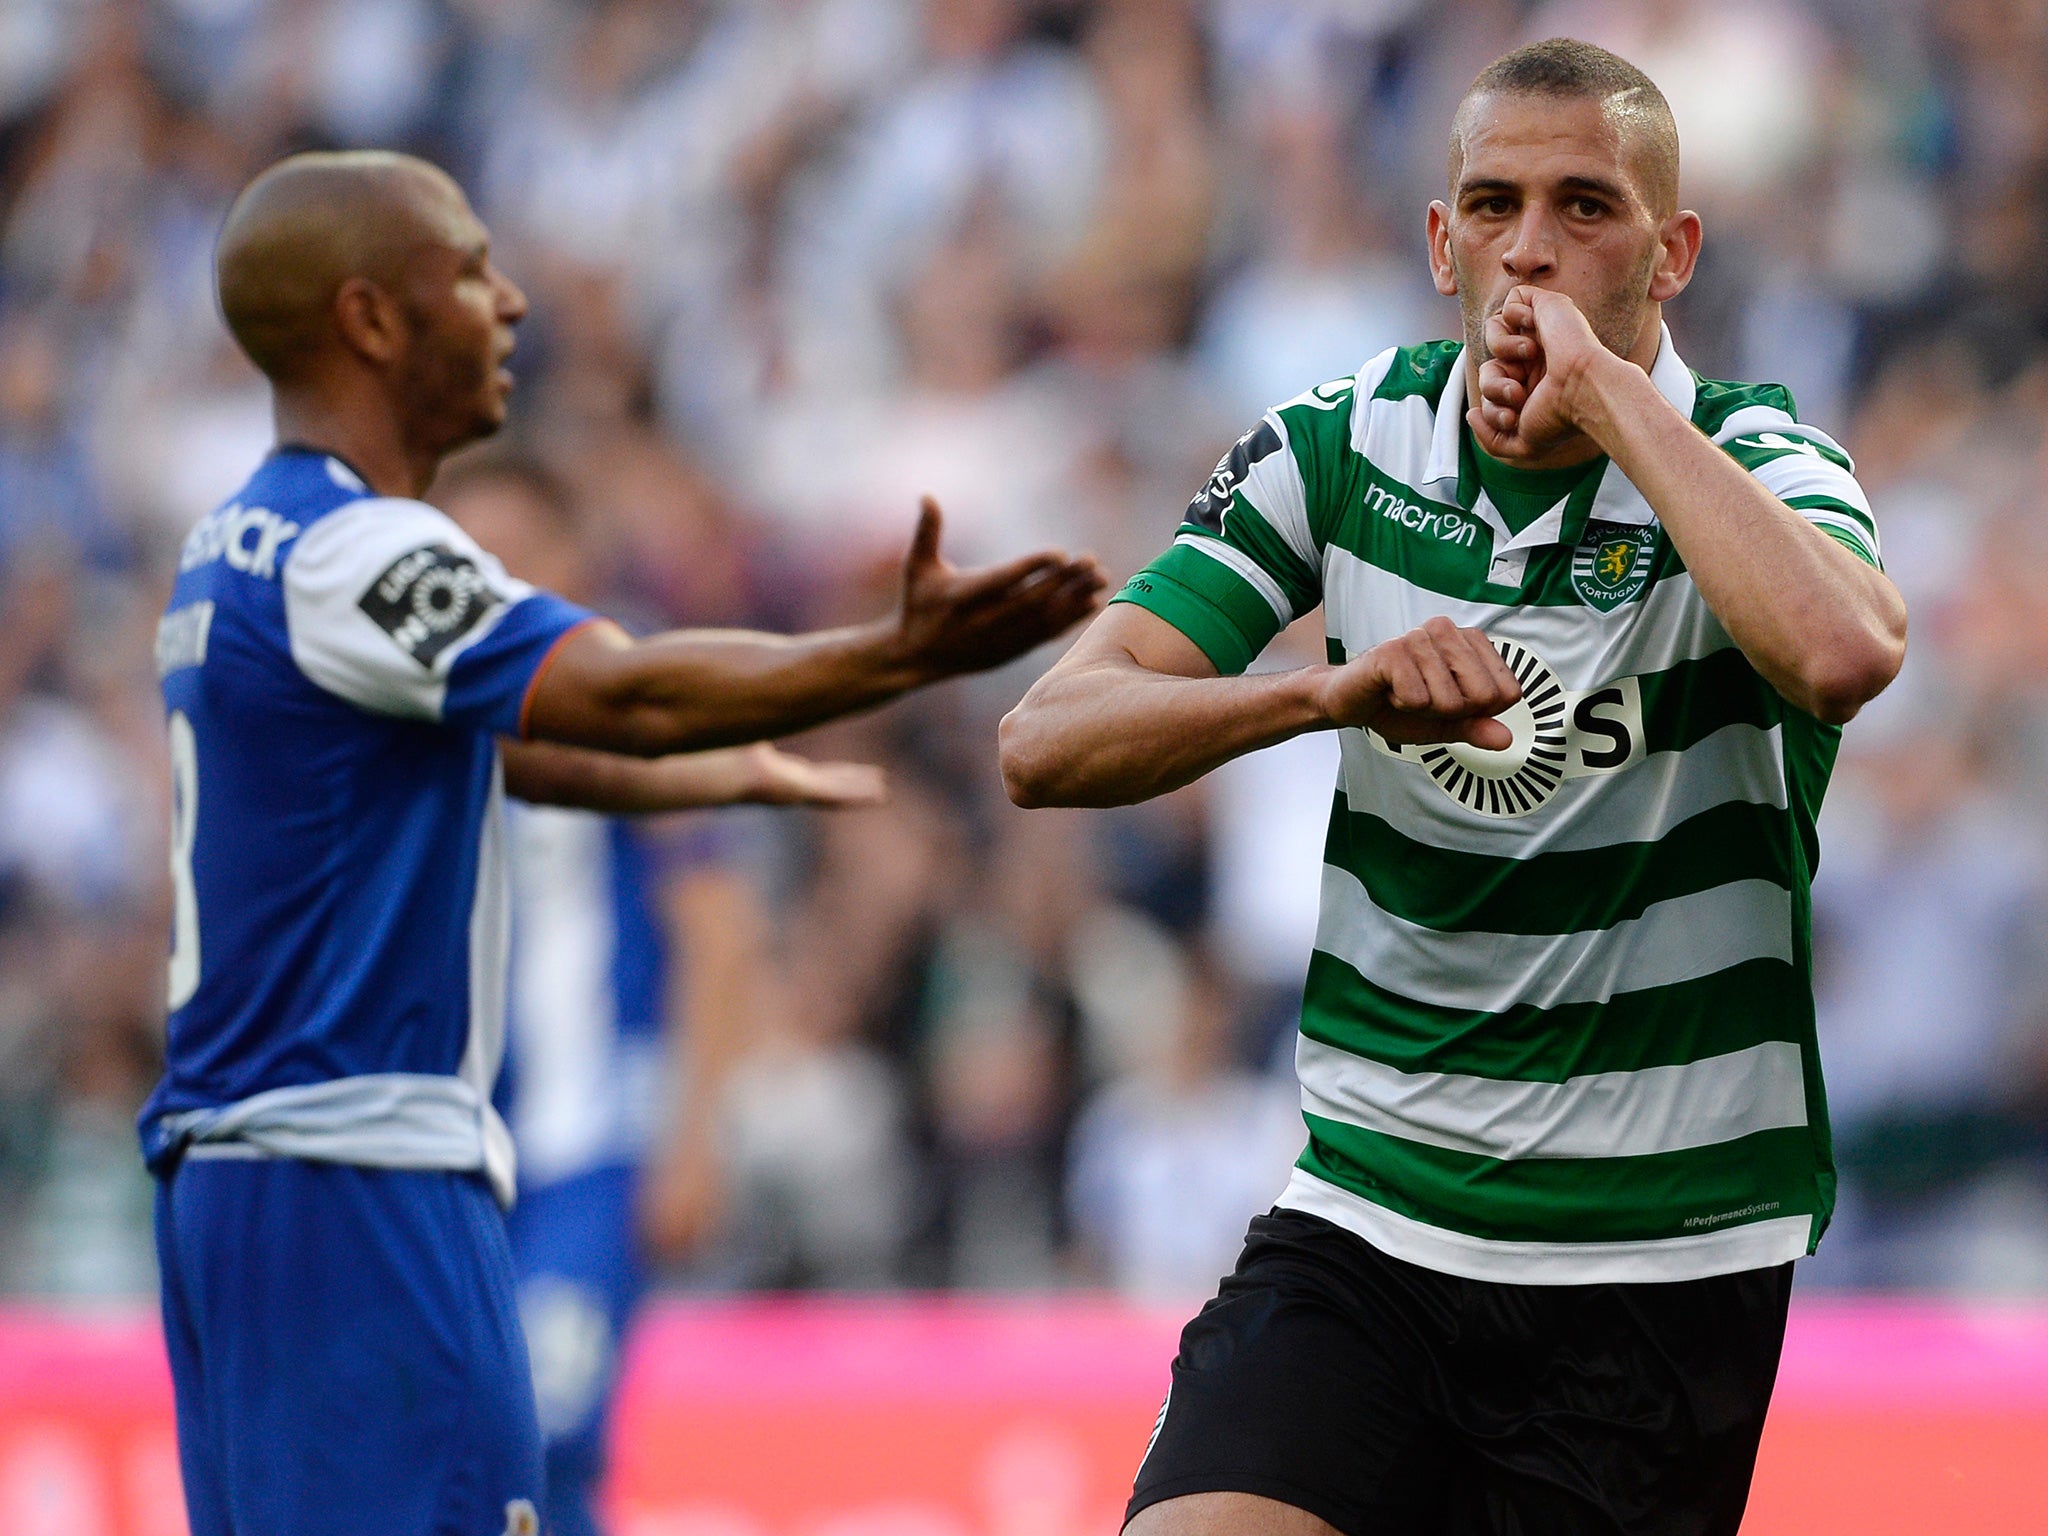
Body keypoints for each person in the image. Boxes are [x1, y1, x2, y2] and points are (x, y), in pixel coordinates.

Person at [1000, 37, 1905, 1536]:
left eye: (1585, 208)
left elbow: (1842, 653)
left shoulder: (1759, 458)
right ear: (1440, 242)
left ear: (1673, 253)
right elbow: (1047, 738)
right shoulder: (1346, 442)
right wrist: (1319, 694)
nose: (1530, 248)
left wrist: (1611, 403)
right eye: (1491, 205)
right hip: (1371, 1218)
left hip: (1651, 1257)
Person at [143, 149, 1103, 1536]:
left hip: (242, 1177)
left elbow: (515, 749)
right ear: (368, 319)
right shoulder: (349, 550)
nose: (511, 302)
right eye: (467, 271)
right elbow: (623, 692)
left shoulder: (228, 547)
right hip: (361, 1178)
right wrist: (895, 655)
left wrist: (703, 774)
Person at [440, 452, 831, 1536]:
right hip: (442, 1156)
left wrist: (692, 1139)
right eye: (465, 559)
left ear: (572, 560)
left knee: (542, 1424)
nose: (492, 582)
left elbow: (715, 926)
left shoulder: (626, 712)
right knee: (462, 1449)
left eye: (517, 553)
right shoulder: (410, 725)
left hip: (585, 1142)